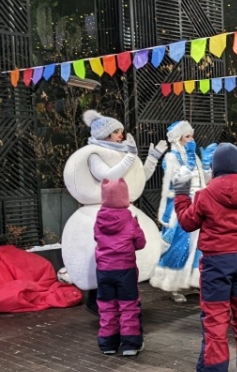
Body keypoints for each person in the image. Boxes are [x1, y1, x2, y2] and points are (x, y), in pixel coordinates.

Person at [62, 110, 166, 316]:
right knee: (97, 261)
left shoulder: (123, 153)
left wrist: (152, 158)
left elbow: (138, 177)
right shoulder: (95, 154)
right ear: (105, 135)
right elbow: (108, 176)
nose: (121, 135)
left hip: (121, 209)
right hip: (100, 211)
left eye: (120, 131)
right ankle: (100, 302)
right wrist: (129, 156)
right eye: (117, 132)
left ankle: (118, 304)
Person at [172, 143, 237, 372]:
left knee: (215, 321)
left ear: (215, 167)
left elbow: (187, 222)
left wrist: (182, 195)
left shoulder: (205, 195)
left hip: (216, 264)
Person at [150, 121, 215, 303]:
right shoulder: (170, 158)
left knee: (197, 246)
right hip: (179, 208)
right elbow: (179, 180)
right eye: (187, 136)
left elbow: (204, 181)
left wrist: (207, 164)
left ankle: (194, 280)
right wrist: (191, 164)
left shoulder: (193, 155)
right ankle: (174, 285)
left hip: (198, 205)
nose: (191, 139)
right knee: (179, 246)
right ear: (178, 139)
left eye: (192, 135)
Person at [94, 178, 145, 356]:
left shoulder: (99, 220)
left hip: (104, 270)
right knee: (128, 306)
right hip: (125, 270)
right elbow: (141, 243)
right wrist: (136, 227)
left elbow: (97, 240)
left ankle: (108, 344)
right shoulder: (129, 220)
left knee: (107, 306)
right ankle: (130, 344)